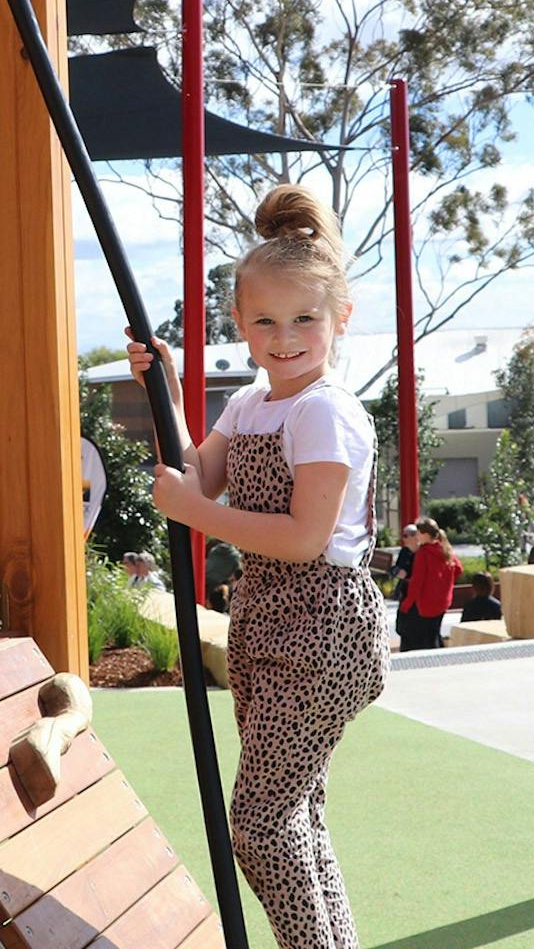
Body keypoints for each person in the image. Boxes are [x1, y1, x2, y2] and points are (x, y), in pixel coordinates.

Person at [126, 183, 384, 948]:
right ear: (238, 323)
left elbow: (305, 536)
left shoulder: (323, 411)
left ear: (340, 318)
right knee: (294, 814)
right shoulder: (250, 406)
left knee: (263, 827)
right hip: (272, 626)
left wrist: (196, 516)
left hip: (323, 630)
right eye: (264, 319)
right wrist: (164, 389)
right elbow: (194, 477)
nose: (284, 336)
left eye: (304, 317)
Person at [399, 517, 459, 650]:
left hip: (427, 601)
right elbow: (458, 569)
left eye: (418, 533)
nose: (417, 536)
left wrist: (407, 603)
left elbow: (417, 581)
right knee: (435, 632)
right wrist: (444, 583)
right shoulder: (445, 548)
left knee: (428, 637)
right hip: (443, 600)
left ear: (425, 534)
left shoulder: (423, 553)